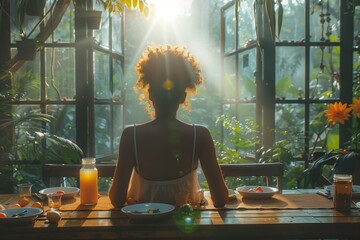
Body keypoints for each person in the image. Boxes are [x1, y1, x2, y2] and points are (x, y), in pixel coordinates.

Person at [109, 45, 229, 208]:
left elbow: (116, 200)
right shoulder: (199, 136)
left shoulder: (132, 136)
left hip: (141, 231)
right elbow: (221, 199)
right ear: (183, 96)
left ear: (150, 94)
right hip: (188, 232)